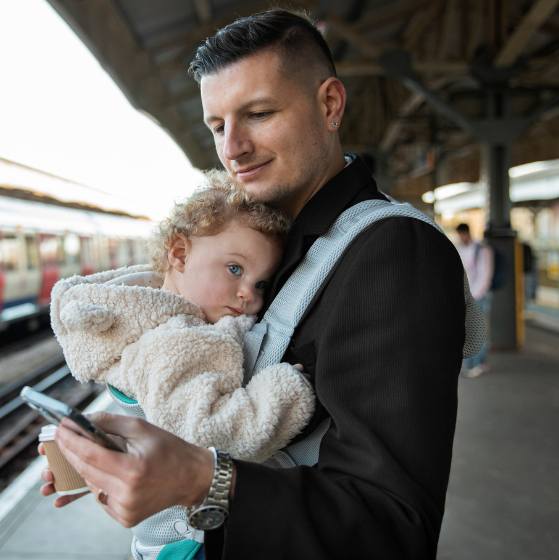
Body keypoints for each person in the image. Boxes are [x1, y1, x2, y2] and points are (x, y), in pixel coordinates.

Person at [41, 9, 471, 560]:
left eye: (259, 114)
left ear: (330, 104)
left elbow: (393, 526)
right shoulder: (272, 243)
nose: (233, 148)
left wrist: (198, 479)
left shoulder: (392, 251)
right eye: (217, 126)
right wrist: (125, 456)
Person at [49, 172, 315, 557]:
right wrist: (285, 391)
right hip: (192, 543)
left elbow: (164, 419)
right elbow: (214, 435)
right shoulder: (177, 340)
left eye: (261, 284)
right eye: (235, 269)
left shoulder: (140, 317)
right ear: (179, 254)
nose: (249, 295)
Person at [456, 223, 493, 378]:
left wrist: (476, 294)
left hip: (478, 296)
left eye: (462, 234)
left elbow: (486, 274)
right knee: (468, 329)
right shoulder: (460, 249)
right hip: (466, 296)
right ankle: (470, 362)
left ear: (468, 233)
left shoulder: (481, 249)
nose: (461, 237)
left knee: (478, 329)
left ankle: (478, 363)